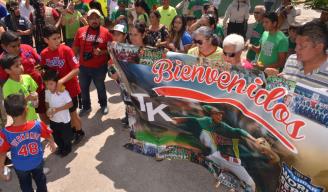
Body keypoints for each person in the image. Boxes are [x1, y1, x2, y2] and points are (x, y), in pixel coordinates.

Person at [172, 106, 275, 191]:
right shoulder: (205, 122)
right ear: (210, 116)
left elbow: (239, 131)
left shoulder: (223, 127)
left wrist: (254, 140)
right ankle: (223, 178)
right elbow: (190, 120)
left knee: (251, 186)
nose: (220, 115)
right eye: (217, 114)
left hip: (232, 162)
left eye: (220, 114)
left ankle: (229, 183)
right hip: (218, 157)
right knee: (202, 156)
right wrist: (177, 120)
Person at [0, 94, 56, 192]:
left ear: (8, 114)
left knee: (25, 185)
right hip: (37, 161)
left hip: (20, 166)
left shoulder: (5, 133)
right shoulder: (37, 125)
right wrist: (52, 143)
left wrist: (1, 169)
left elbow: (2, 153)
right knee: (40, 180)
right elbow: (48, 135)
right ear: (27, 109)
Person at [41, 25, 84, 143]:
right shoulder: (44, 53)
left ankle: (79, 131)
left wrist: (61, 81)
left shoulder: (66, 50)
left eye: (58, 38)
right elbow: (45, 70)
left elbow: (76, 69)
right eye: (54, 39)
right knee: (64, 113)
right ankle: (72, 131)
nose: (58, 41)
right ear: (46, 40)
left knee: (73, 113)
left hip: (71, 88)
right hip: (56, 92)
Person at [265, 20, 328, 89]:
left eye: (302, 46)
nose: (296, 49)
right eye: (296, 44)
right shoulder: (292, 60)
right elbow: (284, 94)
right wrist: (275, 80)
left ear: (319, 47)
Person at [0, 31, 47, 122]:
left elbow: (40, 62)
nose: (18, 48)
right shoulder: (2, 61)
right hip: (21, 98)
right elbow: (3, 83)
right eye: (13, 46)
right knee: (25, 120)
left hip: (38, 89)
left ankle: (45, 131)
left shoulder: (28, 48)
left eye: (19, 45)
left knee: (44, 114)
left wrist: (42, 70)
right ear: (3, 46)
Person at [73, 9, 113, 116]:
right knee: (84, 88)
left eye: (96, 18)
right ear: (87, 19)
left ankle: (103, 105)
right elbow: (75, 48)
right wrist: (74, 63)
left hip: (99, 67)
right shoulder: (80, 31)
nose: (94, 20)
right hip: (83, 67)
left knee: (100, 87)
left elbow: (112, 49)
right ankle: (86, 107)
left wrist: (102, 52)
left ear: (100, 19)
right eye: (91, 18)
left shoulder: (106, 32)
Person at [44, 69, 73, 157]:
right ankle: (61, 147)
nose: (48, 86)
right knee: (56, 136)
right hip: (53, 120)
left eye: (51, 84)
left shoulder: (63, 92)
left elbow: (70, 104)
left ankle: (67, 149)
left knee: (66, 137)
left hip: (64, 120)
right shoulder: (47, 92)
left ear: (57, 82)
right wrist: (48, 111)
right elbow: (47, 103)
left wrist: (57, 109)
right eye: (46, 84)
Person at [1, 54, 39, 121]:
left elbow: (34, 93)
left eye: (21, 64)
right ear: (8, 71)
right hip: (21, 121)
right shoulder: (7, 87)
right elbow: (12, 107)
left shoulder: (27, 77)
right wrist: (27, 99)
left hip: (33, 116)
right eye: (17, 66)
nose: (21, 67)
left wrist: (36, 99)